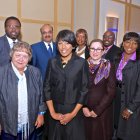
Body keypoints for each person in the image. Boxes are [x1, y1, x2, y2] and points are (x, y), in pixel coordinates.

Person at [43, 29, 89, 140]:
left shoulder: (81, 63)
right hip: (55, 111)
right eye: (60, 43)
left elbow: (84, 90)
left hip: (74, 111)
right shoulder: (52, 62)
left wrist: (72, 114)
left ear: (73, 45)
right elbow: (47, 87)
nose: (63, 47)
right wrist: (53, 113)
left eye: (67, 43)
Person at [0, 41, 46, 140]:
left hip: (30, 125)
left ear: (29, 59)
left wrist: (40, 114)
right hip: (7, 127)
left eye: (25, 56)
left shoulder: (35, 72)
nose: (21, 59)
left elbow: (41, 95)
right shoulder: (2, 73)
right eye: (18, 55)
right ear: (11, 55)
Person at [83, 39, 116, 140]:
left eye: (98, 49)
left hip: (102, 112)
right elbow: (78, 88)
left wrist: (97, 110)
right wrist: (83, 107)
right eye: (93, 48)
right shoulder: (82, 65)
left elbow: (111, 91)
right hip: (84, 111)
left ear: (103, 51)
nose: (95, 51)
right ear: (89, 49)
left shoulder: (109, 66)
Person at [115, 32, 140, 140]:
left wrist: (130, 109)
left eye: (135, 43)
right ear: (123, 43)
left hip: (130, 100)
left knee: (127, 133)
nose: (130, 46)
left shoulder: (138, 62)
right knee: (115, 129)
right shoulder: (117, 57)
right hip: (115, 98)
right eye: (128, 42)